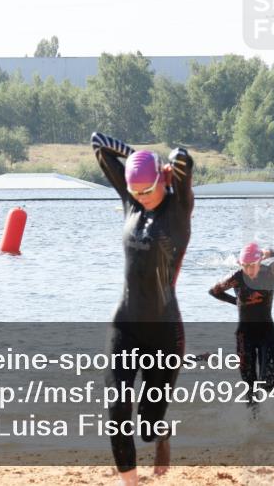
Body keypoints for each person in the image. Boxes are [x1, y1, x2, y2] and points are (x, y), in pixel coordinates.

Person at [91, 133, 194, 486]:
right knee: (117, 407)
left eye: (146, 191)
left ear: (162, 183)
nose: (141, 198)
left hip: (165, 334)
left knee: (148, 426)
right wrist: (137, 162)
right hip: (125, 326)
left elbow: (183, 159)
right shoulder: (131, 201)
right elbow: (98, 144)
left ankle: (161, 435)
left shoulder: (179, 209)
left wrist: (160, 164)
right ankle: (130, 482)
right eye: (135, 192)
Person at [209, 243, 274, 411]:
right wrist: (236, 302)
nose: (249, 270)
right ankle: (253, 425)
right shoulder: (236, 277)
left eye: (252, 265)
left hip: (266, 333)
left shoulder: (271, 272)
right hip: (245, 336)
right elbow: (214, 291)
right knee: (250, 387)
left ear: (260, 261)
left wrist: (271, 252)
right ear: (240, 264)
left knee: (267, 383)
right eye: (245, 266)